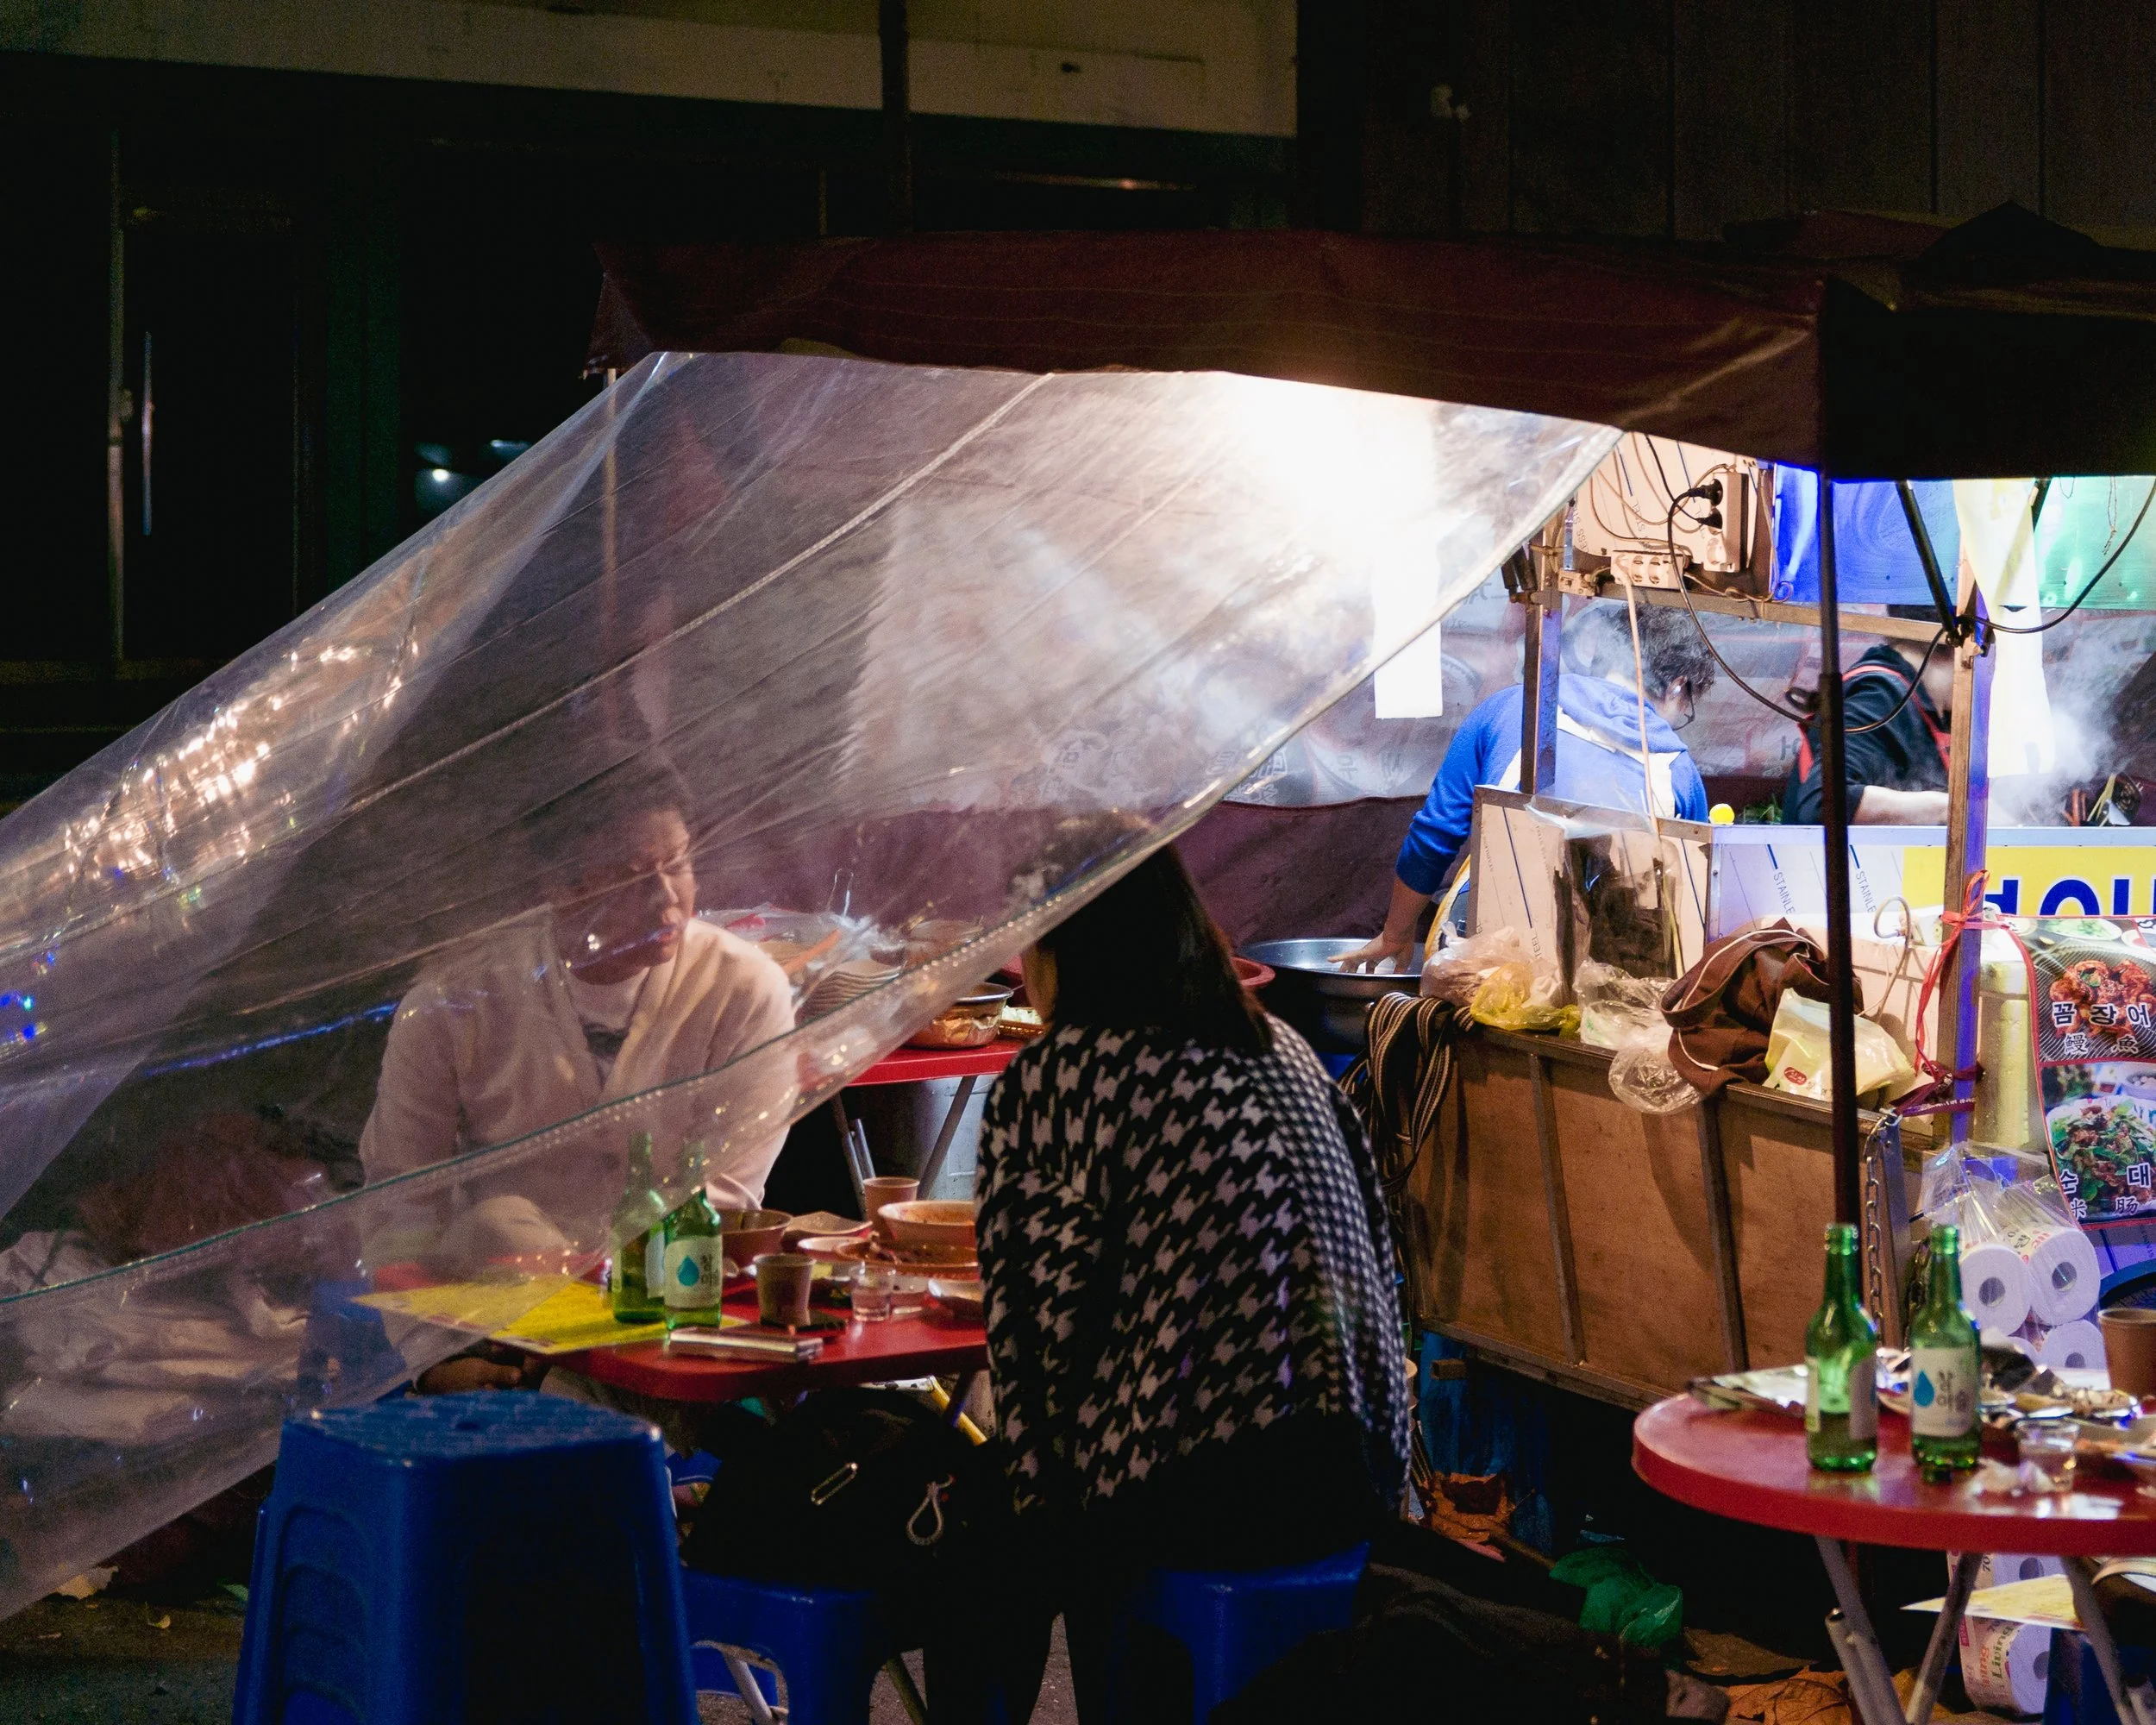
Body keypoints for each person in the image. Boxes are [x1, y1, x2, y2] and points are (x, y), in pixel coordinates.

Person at [955, 844, 1411, 1721]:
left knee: (976, 1518)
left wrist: (1040, 1505)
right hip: (1360, 1469)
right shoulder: (1280, 1046)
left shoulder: (1062, 1076)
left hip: (1218, 1489)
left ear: (1068, 950)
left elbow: (1035, 1348)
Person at [358, 756, 797, 1241]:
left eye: (679, 864)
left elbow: (729, 1191)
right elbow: (403, 1195)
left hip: (677, 1285)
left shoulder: (744, 988)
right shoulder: (455, 1002)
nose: (667, 897)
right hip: (499, 1289)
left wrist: (608, 1270)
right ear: (558, 886)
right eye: (632, 876)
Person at [1343, 599, 1716, 972]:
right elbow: (1687, 901)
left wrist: (1394, 934)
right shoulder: (1678, 770)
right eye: (1687, 705)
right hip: (1604, 968)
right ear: (1676, 686)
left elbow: (1434, 835)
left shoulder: (1510, 707)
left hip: (1480, 947)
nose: (1680, 716)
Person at [1781, 606, 1952, 824]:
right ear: (1958, 644)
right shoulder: (1881, 696)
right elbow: (1823, 803)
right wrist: (1950, 808)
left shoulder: (1935, 708)